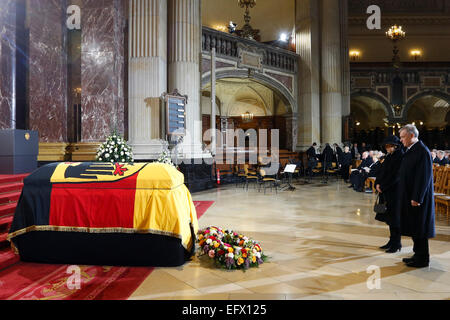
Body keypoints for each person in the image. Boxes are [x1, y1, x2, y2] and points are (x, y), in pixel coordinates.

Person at [398, 124, 435, 268]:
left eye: (402, 137)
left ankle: (422, 259)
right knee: (414, 227)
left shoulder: (422, 151)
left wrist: (417, 197)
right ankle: (417, 254)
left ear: (412, 135)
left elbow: (423, 177)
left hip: (418, 199)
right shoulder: (411, 149)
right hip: (409, 195)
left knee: (420, 228)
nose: (400, 140)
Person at [375, 135, 404, 253]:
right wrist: (377, 183)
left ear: (395, 146)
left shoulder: (400, 156)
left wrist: (383, 186)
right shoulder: (389, 156)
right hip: (386, 191)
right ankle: (391, 241)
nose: (386, 148)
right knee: (389, 218)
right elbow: (381, 171)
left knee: (395, 219)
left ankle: (397, 243)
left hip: (395, 192)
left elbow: (396, 176)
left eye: (388, 146)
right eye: (386, 146)